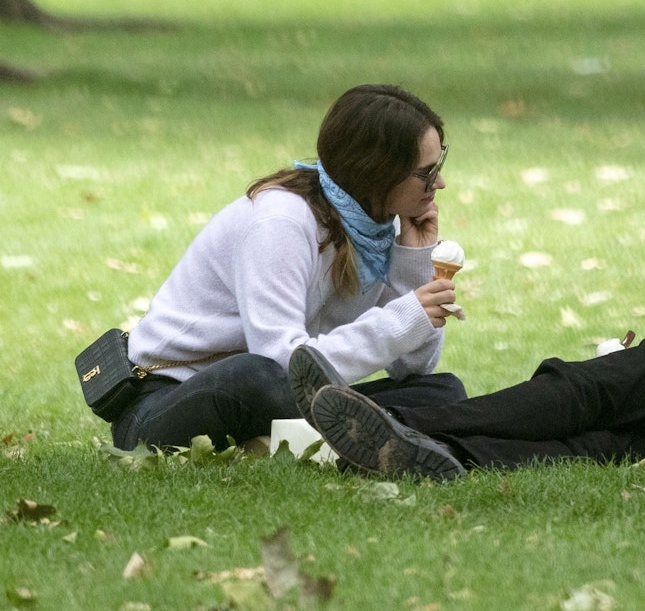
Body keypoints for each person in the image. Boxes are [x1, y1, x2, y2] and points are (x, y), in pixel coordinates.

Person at [289, 139, 645, 481]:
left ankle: (400, 426)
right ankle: (434, 457)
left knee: (585, 388)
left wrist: (634, 361)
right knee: (603, 445)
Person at [111, 84, 467, 452]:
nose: (439, 183)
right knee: (252, 375)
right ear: (376, 172)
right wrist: (400, 319)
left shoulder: (384, 226)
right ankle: (344, 442)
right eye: (425, 172)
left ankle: (298, 444)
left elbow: (413, 366)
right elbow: (284, 367)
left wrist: (413, 262)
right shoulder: (281, 221)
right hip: (168, 401)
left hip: (288, 397)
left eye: (438, 165)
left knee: (443, 391)